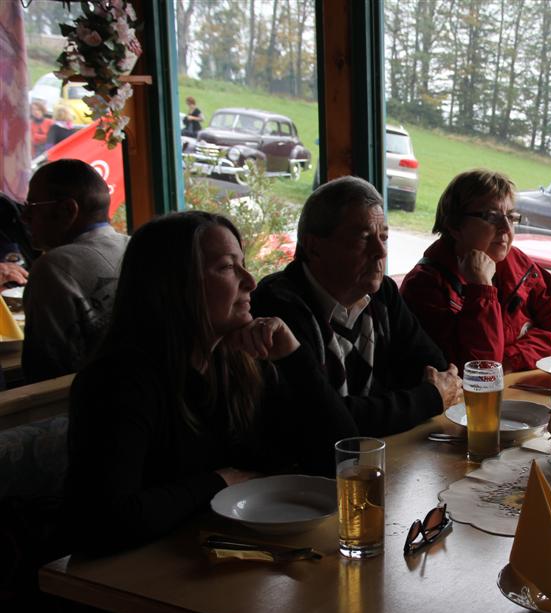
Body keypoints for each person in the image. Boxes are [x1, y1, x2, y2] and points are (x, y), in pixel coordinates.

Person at [63, 211, 359, 553]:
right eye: (227, 267)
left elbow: (344, 459)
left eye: (243, 263)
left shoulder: (237, 362)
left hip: (223, 559)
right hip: (134, 579)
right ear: (173, 284)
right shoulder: (117, 382)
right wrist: (219, 481)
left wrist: (293, 356)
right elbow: (102, 521)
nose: (250, 280)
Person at [252, 176, 461, 437]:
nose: (380, 251)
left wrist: (409, 402)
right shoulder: (279, 307)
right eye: (363, 238)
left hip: (380, 458)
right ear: (314, 246)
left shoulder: (383, 293)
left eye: (383, 237)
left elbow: (438, 372)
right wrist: (425, 400)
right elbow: (326, 421)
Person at [400, 169, 551, 372]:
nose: (506, 228)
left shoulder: (518, 265)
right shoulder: (424, 287)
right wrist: (480, 289)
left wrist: (510, 358)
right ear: (455, 226)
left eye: (511, 216)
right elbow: (482, 371)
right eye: (491, 216)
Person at [21, 159, 129, 382]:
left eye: (31, 208)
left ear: (68, 211)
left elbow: (43, 372)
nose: (24, 218)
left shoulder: (54, 267)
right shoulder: (133, 244)